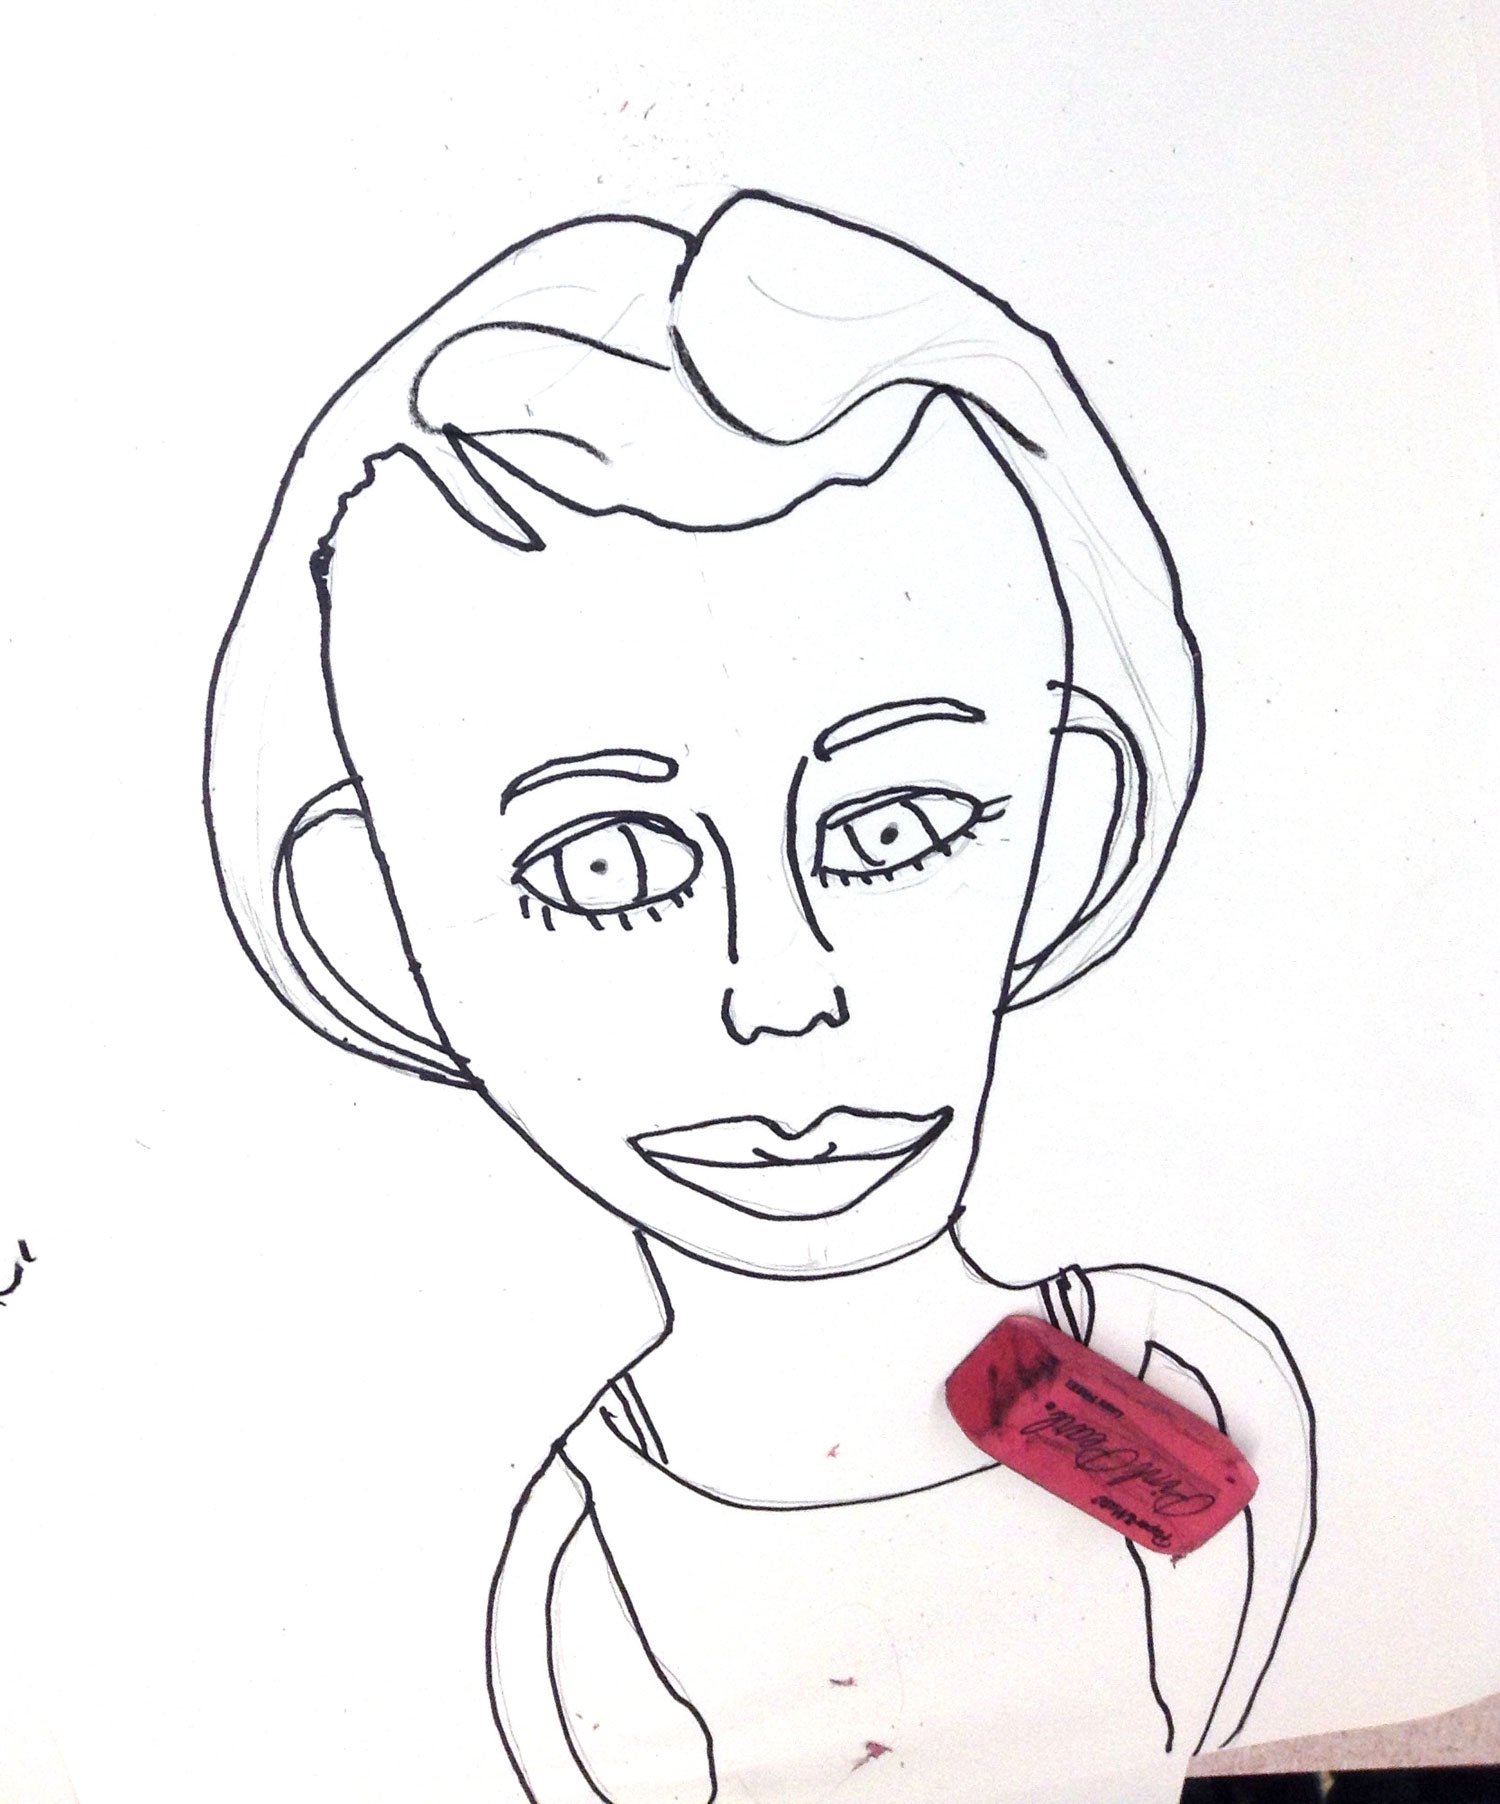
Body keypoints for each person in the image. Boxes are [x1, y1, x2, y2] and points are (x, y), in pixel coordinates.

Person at [206, 190, 1314, 1804]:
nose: (783, 994)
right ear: (376, 931)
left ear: (1071, 829)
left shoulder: (1181, 1367)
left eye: (895, 828)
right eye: (604, 867)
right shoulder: (584, 1572)